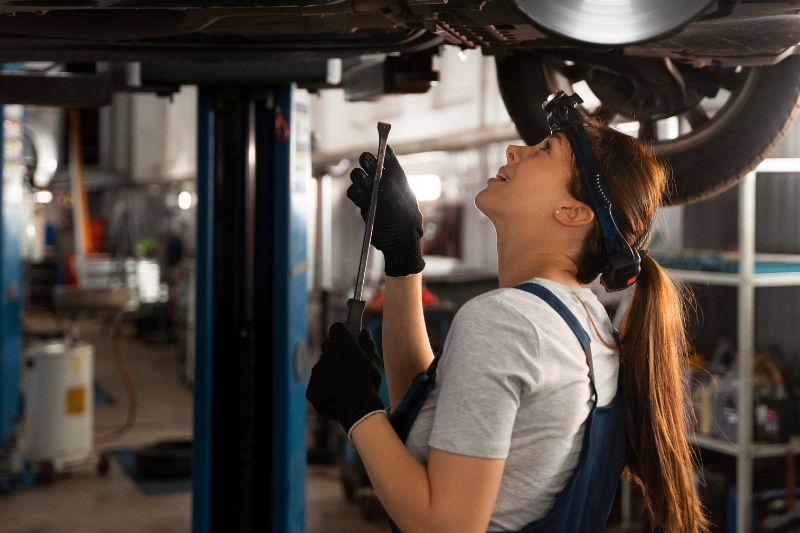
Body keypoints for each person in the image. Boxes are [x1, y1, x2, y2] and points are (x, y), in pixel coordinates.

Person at [306, 93, 708, 533]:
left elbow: (446, 527)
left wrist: (359, 411)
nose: (515, 150)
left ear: (573, 212)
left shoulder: (507, 322)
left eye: (545, 150)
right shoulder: (586, 325)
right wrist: (405, 258)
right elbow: (438, 419)